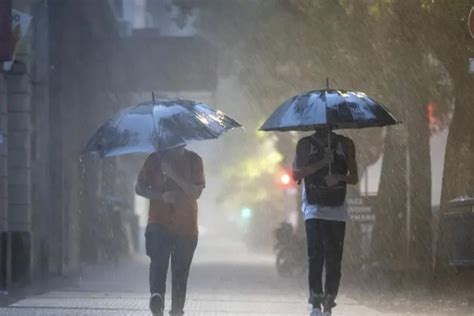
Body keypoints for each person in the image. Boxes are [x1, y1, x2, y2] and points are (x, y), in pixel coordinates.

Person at [292, 128, 358, 316]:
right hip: (313, 210)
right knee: (315, 256)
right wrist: (322, 163)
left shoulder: (345, 143)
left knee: (334, 259)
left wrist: (337, 177)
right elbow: (296, 175)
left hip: (337, 211)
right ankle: (315, 302)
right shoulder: (305, 144)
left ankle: (329, 300)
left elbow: (354, 177)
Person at [136, 145, 205, 316]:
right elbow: (139, 188)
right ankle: (157, 298)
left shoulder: (194, 160)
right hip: (158, 222)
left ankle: (177, 310)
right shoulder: (154, 160)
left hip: (186, 227)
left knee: (180, 272)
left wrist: (174, 174)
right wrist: (161, 196)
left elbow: (195, 192)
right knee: (158, 262)